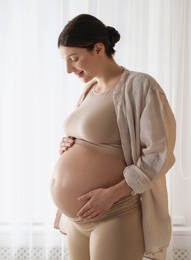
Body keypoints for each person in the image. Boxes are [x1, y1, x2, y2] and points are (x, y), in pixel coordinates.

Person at [50, 14, 176, 260]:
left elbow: (159, 155)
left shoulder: (140, 86)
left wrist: (110, 195)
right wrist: (68, 145)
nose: (68, 69)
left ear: (99, 48)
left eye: (74, 58)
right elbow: (98, 143)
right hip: (77, 220)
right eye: (65, 61)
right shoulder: (89, 90)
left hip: (114, 213)